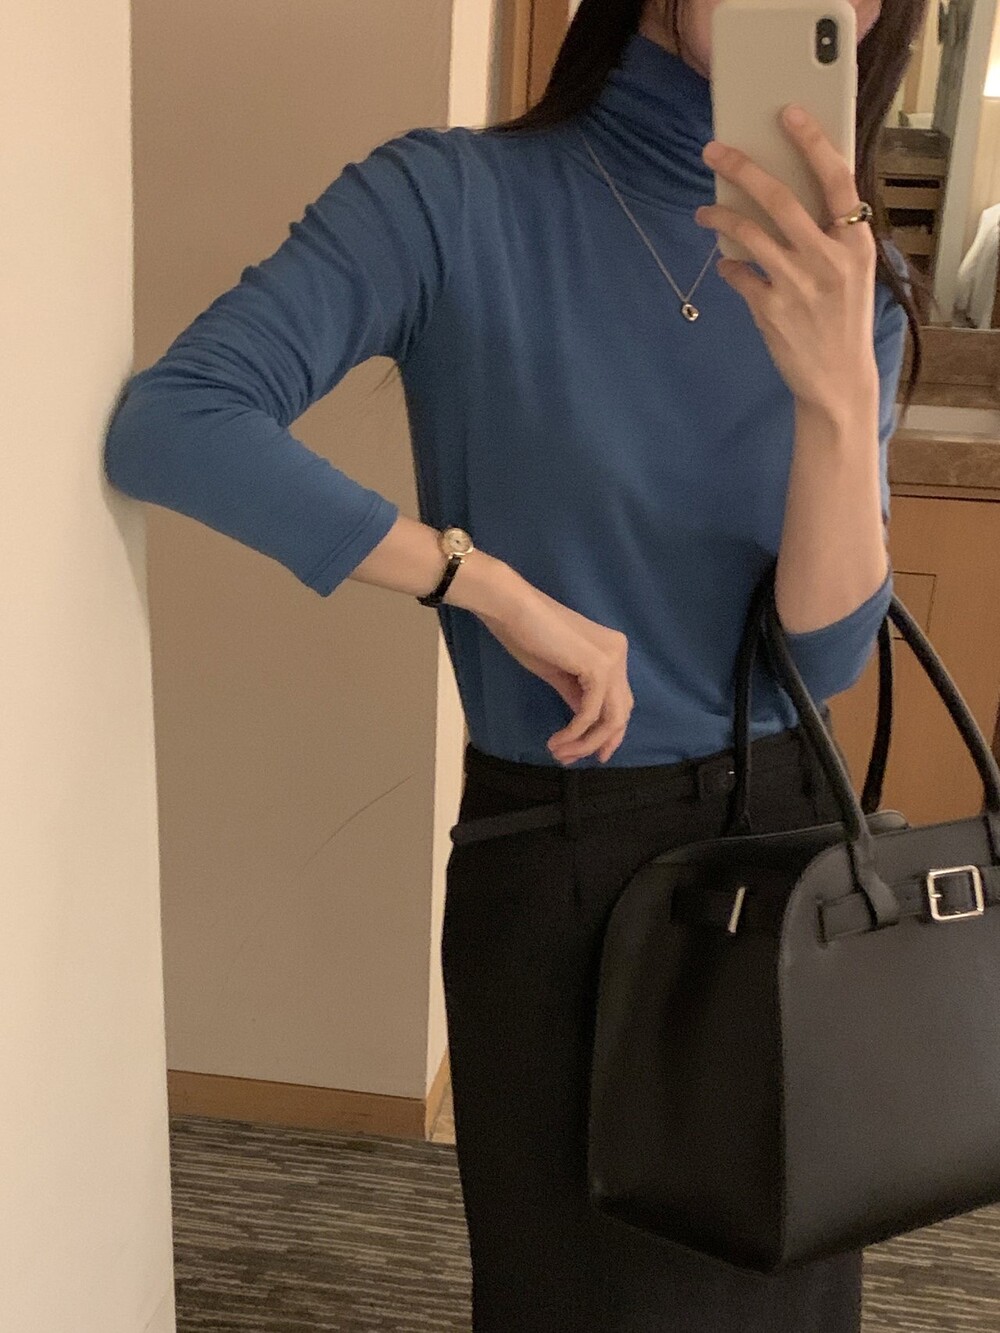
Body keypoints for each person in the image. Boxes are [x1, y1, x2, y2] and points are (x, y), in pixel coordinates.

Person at [103, 0, 928, 1327]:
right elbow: (177, 419)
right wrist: (475, 578)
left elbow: (823, 654)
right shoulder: (450, 200)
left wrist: (838, 390)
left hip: (790, 854)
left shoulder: (846, 283)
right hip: (562, 862)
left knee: (785, 1295)